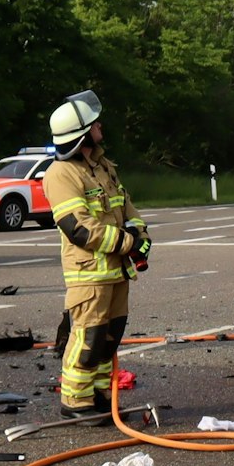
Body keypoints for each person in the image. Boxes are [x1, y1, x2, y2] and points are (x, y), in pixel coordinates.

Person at [43, 90, 148, 421]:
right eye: (93, 122)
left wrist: (142, 237)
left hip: (116, 272)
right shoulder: (61, 174)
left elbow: (125, 206)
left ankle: (101, 396)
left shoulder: (103, 166)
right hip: (89, 274)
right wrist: (126, 243)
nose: (99, 124)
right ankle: (75, 400)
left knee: (109, 340)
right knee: (88, 341)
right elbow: (79, 228)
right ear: (81, 134)